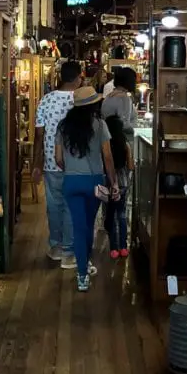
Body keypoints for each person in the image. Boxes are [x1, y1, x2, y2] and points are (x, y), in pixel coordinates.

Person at [55, 86, 118, 291]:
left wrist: (72, 169)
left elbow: (58, 159)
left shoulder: (63, 127)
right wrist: (114, 182)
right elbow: (107, 157)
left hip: (71, 182)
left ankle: (82, 273)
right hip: (94, 183)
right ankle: (85, 264)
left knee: (78, 226)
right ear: (93, 104)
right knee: (87, 227)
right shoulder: (100, 125)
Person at [32, 61, 83, 268]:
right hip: (76, 163)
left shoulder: (46, 100)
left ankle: (56, 247)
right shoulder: (80, 101)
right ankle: (69, 252)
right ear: (78, 77)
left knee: (54, 206)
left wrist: (36, 163)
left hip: (51, 162)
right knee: (72, 206)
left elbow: (38, 135)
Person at [104, 115, 133, 259]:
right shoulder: (125, 144)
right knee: (121, 215)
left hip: (108, 181)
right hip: (123, 182)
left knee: (111, 214)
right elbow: (131, 165)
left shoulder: (106, 144)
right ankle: (123, 247)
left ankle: (113, 248)